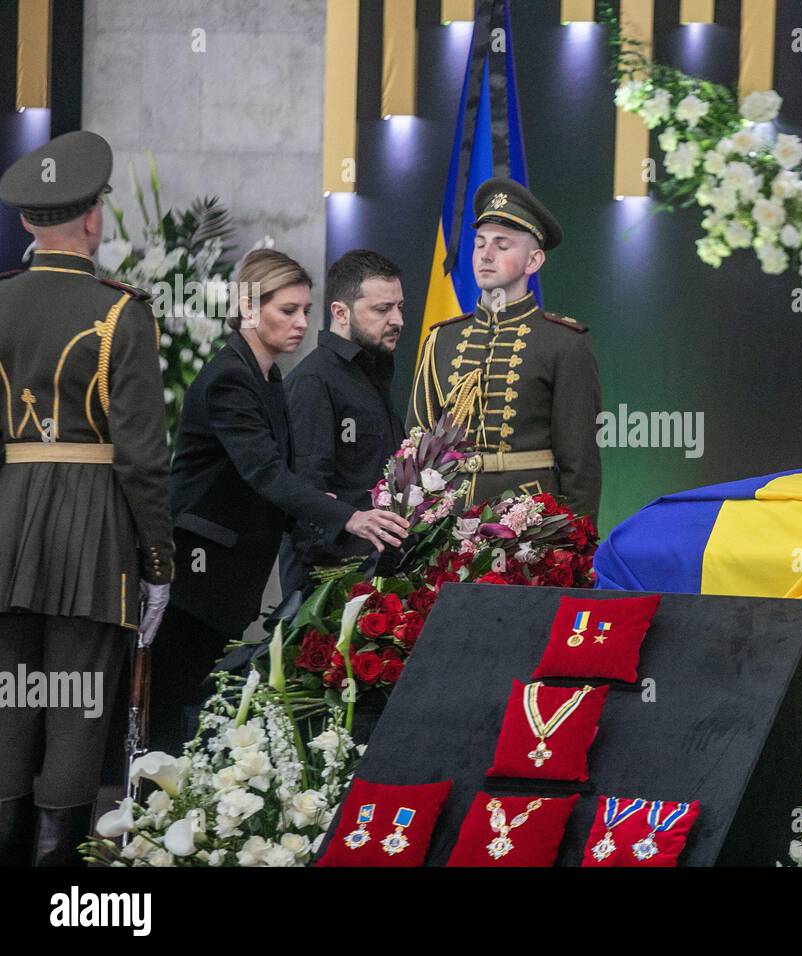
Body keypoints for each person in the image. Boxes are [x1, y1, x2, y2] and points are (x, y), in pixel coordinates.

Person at [151, 249, 409, 755]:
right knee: (173, 721)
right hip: (198, 576)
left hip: (228, 577)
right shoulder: (231, 377)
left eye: (304, 310)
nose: (299, 323)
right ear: (249, 308)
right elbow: (266, 473)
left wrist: (329, 503)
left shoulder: (265, 377)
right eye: (286, 310)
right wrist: (349, 515)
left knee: (195, 720)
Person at [0, 131, 173, 866]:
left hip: (7, 522)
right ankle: (54, 863)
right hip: (92, 531)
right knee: (75, 703)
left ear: (25, 223)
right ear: (94, 220)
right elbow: (141, 459)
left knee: (9, 698)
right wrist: (158, 559)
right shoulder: (119, 312)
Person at [408, 177, 602, 525]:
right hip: (448, 518)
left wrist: (573, 541)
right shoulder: (442, 339)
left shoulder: (564, 343)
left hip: (530, 518)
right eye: (480, 242)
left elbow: (580, 463)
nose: (486, 253)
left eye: (502, 244)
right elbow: (417, 443)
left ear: (533, 261)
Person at [278, 250, 406, 596]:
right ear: (340, 312)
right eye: (382, 309)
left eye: (399, 307)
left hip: (376, 574)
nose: (397, 320)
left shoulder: (372, 374)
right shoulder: (314, 382)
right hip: (331, 588)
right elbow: (307, 498)